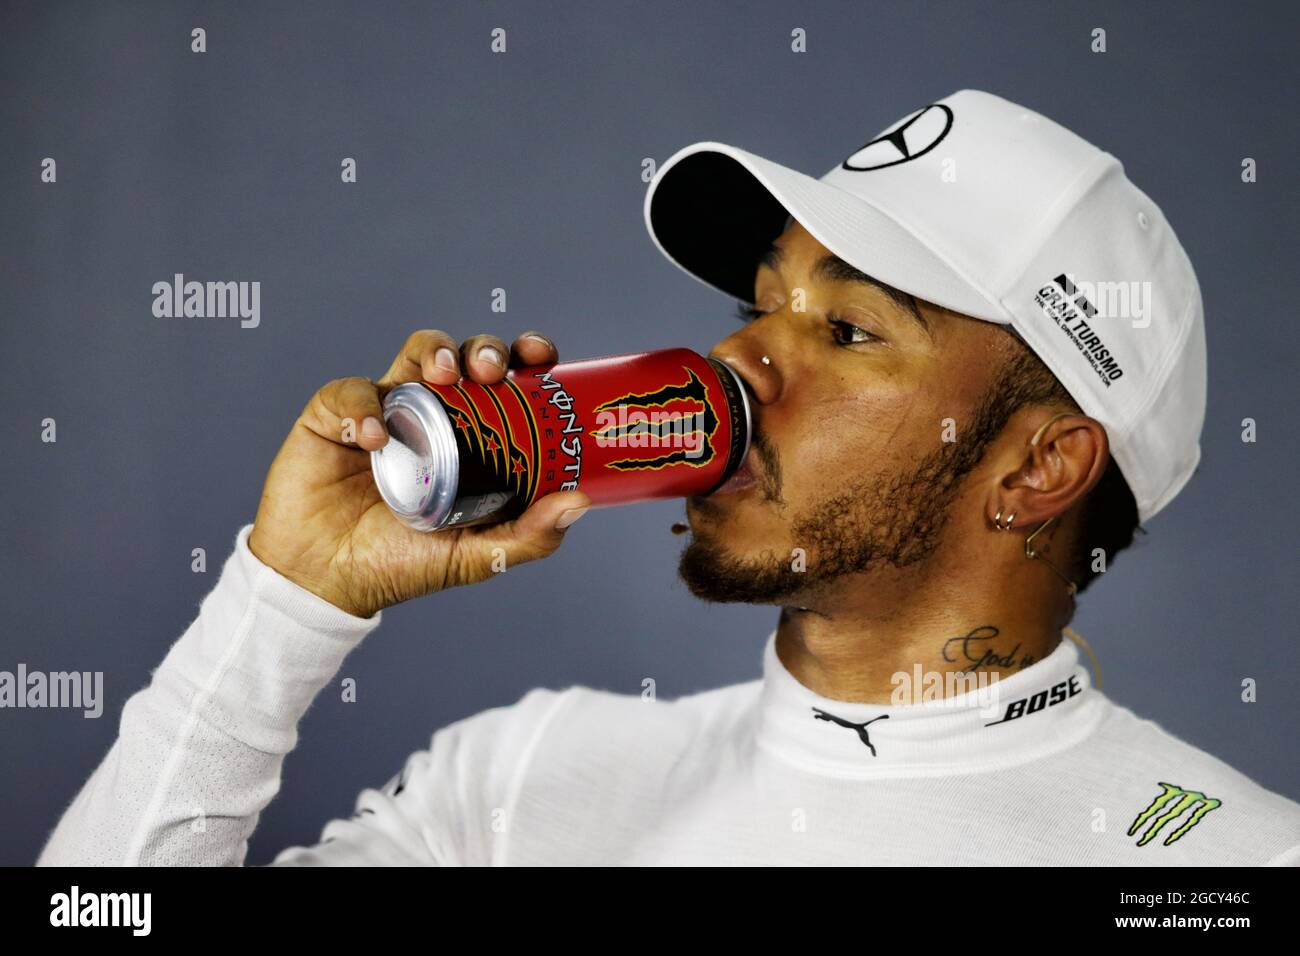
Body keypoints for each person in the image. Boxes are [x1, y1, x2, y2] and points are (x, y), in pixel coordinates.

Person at [38, 90, 1300, 866]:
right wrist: (287, 598)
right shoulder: (530, 774)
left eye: (847, 329)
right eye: (762, 308)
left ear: (1038, 466)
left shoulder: (1222, 861)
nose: (738, 358)